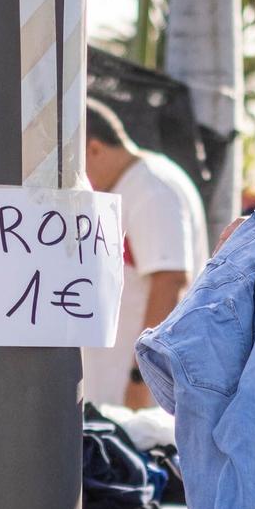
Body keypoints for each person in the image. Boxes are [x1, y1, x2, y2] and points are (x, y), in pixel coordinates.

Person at [81, 101, 210, 409]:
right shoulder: (137, 182)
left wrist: (141, 379)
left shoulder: (151, 187)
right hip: (119, 392)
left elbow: (170, 281)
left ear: (95, 148)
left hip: (139, 400)